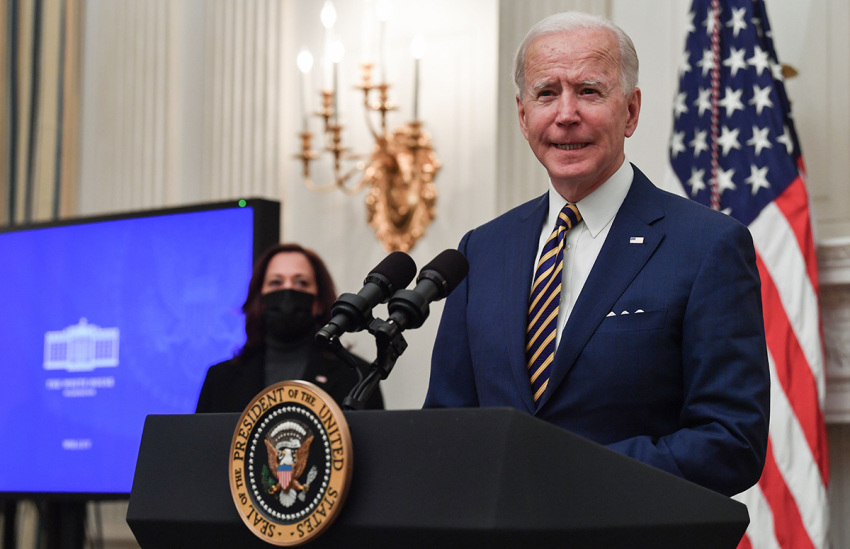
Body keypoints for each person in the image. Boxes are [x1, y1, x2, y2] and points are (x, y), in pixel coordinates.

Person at [423, 12, 769, 497]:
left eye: (588, 91)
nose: (566, 114)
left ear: (630, 111)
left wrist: (568, 473)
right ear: (523, 117)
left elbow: (731, 442)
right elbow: (446, 427)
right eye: (547, 93)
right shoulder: (480, 250)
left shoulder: (707, 245)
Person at [196, 242, 383, 412]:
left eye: (301, 282)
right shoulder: (220, 379)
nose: (288, 292)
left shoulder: (357, 377)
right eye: (276, 282)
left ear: (318, 302)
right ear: (260, 299)